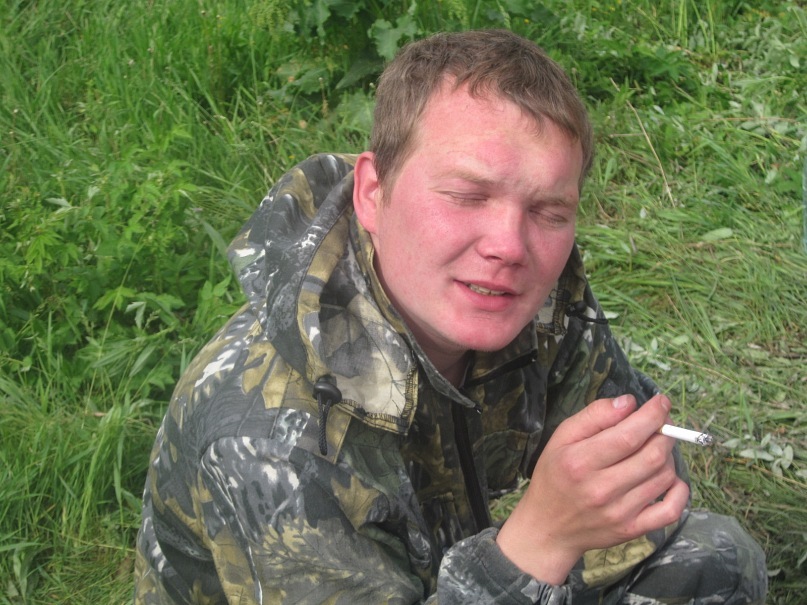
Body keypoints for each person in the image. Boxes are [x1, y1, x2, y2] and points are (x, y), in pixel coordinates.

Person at [133, 30, 767, 604]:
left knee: (712, 561)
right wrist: (538, 543)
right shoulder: (268, 438)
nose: (511, 247)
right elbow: (553, 543)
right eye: (467, 196)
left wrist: (566, 530)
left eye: (549, 212)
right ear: (373, 194)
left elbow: (641, 489)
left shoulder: (527, 298)